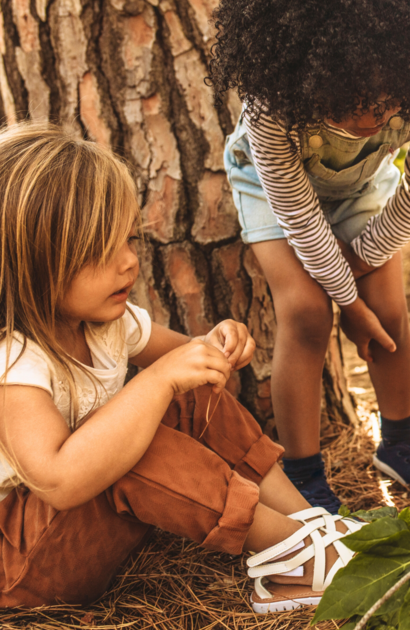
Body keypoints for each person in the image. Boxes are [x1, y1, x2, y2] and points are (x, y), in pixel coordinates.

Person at [0, 122, 361, 612]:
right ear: (31, 263)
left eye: (129, 240)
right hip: (23, 566)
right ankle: (293, 554)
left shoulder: (108, 323)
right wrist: (157, 380)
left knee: (188, 393)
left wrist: (216, 343)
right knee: (135, 440)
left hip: (76, 532)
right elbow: (59, 480)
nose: (129, 263)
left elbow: (188, 357)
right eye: (100, 252)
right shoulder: (14, 361)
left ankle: (308, 523)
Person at [208, 0, 410, 512]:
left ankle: (401, 445)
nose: (370, 117)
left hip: (363, 186)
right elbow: (297, 213)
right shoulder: (273, 96)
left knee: (388, 309)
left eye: (386, 102)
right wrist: (346, 305)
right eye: (347, 102)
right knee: (308, 313)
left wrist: (358, 271)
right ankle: (304, 473)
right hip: (272, 189)